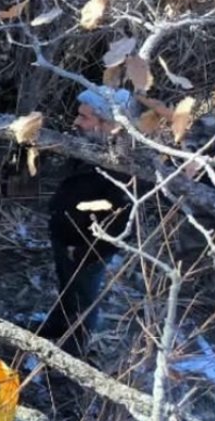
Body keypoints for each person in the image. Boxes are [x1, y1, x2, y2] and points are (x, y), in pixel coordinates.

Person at [35, 87, 142, 357]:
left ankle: (73, 352)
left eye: (85, 118)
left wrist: (87, 252)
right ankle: (57, 326)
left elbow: (120, 221)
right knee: (67, 287)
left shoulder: (125, 166)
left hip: (87, 249)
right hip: (65, 235)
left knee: (82, 299)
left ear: (110, 125)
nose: (76, 122)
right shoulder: (89, 145)